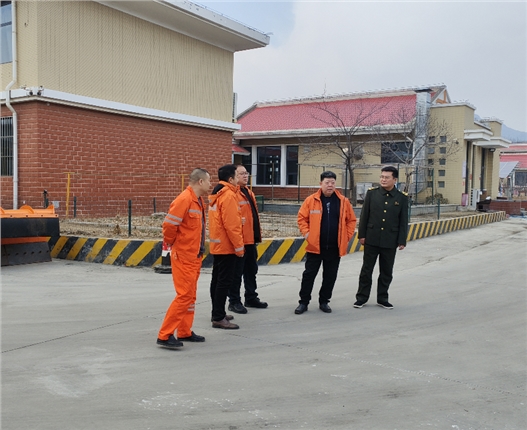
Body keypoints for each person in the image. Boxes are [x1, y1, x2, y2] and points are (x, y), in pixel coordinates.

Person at [156, 168, 211, 348]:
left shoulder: (198, 201)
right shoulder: (184, 199)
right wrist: (174, 244)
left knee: (190, 296)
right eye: (209, 181)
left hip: (194, 256)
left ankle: (185, 331)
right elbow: (169, 226)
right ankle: (165, 335)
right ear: (200, 182)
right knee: (184, 295)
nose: (210, 184)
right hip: (184, 256)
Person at [295, 171, 357, 314]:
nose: (330, 185)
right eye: (327, 182)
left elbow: (351, 220)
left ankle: (324, 301)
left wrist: (346, 237)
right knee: (309, 275)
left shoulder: (343, 201)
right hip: (315, 247)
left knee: (330, 276)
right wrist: (307, 234)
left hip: (335, 248)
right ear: (321, 184)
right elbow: (302, 218)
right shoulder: (311, 200)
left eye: (332, 183)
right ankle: (303, 302)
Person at [354, 165, 409, 310]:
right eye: (382, 177)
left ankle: (382, 298)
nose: (383, 180)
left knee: (386, 271)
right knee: (366, 270)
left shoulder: (401, 198)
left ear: (394, 180)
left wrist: (402, 240)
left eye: (387, 177)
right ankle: (361, 298)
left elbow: (403, 220)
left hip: (390, 240)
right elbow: (364, 215)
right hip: (371, 238)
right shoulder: (372, 194)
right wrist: (362, 235)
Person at [227, 165, 268, 314]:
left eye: (246, 173)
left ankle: (251, 297)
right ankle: (234, 301)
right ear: (233, 176)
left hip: (250, 239)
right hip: (240, 240)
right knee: (236, 273)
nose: (245, 176)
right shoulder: (233, 194)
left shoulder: (249, 192)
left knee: (251, 270)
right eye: (241, 174)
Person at [208, 164, 245, 329]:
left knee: (217, 280)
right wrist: (239, 248)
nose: (239, 178)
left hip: (218, 245)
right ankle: (218, 317)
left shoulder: (218, 193)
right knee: (223, 282)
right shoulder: (228, 195)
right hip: (227, 246)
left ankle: (218, 312)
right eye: (237, 175)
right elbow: (232, 226)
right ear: (231, 179)